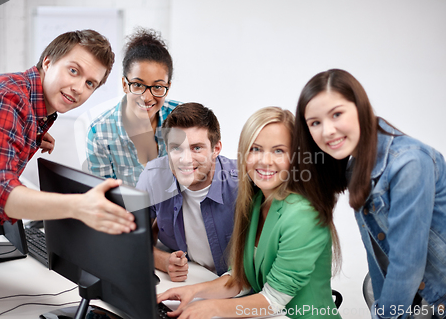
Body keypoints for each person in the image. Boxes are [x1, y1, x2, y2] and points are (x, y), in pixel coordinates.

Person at [0, 30, 137, 318]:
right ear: (48, 62)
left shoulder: (31, 108)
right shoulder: (8, 98)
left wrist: (31, 136)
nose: (78, 88)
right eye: (73, 70)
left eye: (90, 83)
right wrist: (78, 206)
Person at [157, 107, 341, 319]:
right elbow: (242, 277)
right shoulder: (256, 201)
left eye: (279, 151)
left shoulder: (303, 213)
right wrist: (194, 291)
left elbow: (273, 300)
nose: (265, 161)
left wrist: (214, 308)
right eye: (255, 149)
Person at [292, 68, 446, 319]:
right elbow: (378, 258)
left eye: (337, 114)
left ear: (360, 107)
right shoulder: (355, 166)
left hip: (437, 297)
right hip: (421, 297)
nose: (327, 131)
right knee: (372, 287)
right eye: (315, 123)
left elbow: (407, 265)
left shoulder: (409, 163)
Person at [136, 103, 238, 282]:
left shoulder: (242, 184)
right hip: (188, 281)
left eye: (196, 148)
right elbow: (130, 239)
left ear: (216, 149)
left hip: (240, 289)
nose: (185, 159)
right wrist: (162, 260)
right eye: (176, 148)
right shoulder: (153, 177)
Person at [86, 28, 182, 186]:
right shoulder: (100, 133)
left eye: (158, 87)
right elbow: (103, 196)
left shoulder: (183, 118)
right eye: (138, 85)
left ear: (168, 87)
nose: (147, 97)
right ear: (125, 84)